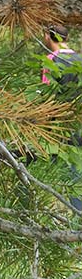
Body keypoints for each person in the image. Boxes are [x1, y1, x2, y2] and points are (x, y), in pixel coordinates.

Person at [41, 24, 82, 211]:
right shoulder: (80, 59)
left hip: (61, 128)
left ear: (48, 37)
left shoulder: (50, 61)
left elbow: (46, 98)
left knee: (72, 175)